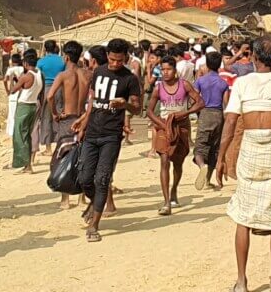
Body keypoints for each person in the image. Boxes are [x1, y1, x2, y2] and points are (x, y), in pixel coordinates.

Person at [216, 35, 271, 292]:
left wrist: (221, 158)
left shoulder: (242, 84)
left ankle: (242, 282)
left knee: (243, 216)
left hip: (251, 149)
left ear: (253, 57)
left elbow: (230, 124)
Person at [72, 38, 142, 243]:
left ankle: (94, 226)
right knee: (85, 178)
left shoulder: (130, 79)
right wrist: (83, 120)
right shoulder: (99, 71)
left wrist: (125, 105)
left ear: (126, 58)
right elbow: (93, 101)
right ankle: (95, 203)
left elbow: (138, 109)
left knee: (102, 179)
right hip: (92, 133)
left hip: (112, 135)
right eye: (112, 59)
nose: (114, 64)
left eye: (119, 61)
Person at [148, 54, 203, 214]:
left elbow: (200, 102)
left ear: (175, 70)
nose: (165, 72)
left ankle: (174, 191)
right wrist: (161, 125)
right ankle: (166, 203)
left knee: (177, 163)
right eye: (163, 69)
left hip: (181, 127)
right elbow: (150, 111)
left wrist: (185, 112)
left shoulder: (184, 85)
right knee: (164, 160)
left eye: (169, 69)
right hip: (164, 127)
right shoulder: (158, 88)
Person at [47, 40, 86, 207]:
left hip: (67, 119)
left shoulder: (63, 76)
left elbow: (50, 96)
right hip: (82, 118)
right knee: (81, 157)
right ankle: (81, 197)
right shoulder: (87, 75)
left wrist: (55, 113)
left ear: (67, 56)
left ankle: (65, 199)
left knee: (64, 156)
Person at [192, 50, 230, 191]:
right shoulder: (223, 83)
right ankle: (207, 180)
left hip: (205, 113)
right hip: (218, 114)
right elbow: (226, 103)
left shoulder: (201, 81)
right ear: (219, 65)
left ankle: (202, 166)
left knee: (200, 146)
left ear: (207, 65)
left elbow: (194, 98)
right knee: (215, 148)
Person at [7, 50, 41, 173]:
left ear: (25, 64)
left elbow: (12, 90)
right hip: (33, 105)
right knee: (27, 135)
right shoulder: (39, 74)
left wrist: (12, 80)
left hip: (24, 106)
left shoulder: (26, 76)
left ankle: (21, 162)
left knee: (19, 135)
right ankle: (28, 164)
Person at [35, 40, 64, 155]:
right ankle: (60, 145)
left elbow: (37, 78)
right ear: (56, 47)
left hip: (46, 89)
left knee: (46, 117)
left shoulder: (41, 62)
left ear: (45, 49)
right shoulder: (62, 60)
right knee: (59, 116)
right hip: (60, 89)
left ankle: (48, 148)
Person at [3, 53, 24, 139]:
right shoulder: (23, 69)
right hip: (21, 94)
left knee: (11, 115)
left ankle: (11, 133)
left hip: (13, 93)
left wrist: (7, 90)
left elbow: (5, 80)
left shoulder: (10, 69)